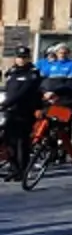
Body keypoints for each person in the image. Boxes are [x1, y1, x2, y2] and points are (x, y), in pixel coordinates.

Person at [2, 47, 42, 181]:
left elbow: (22, 93)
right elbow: (8, 90)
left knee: (21, 143)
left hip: (24, 111)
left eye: (24, 57)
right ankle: (14, 168)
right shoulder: (12, 72)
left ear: (28, 58)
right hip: (11, 111)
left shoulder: (32, 73)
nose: (21, 60)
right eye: (19, 57)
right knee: (9, 141)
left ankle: (22, 170)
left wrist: (5, 104)